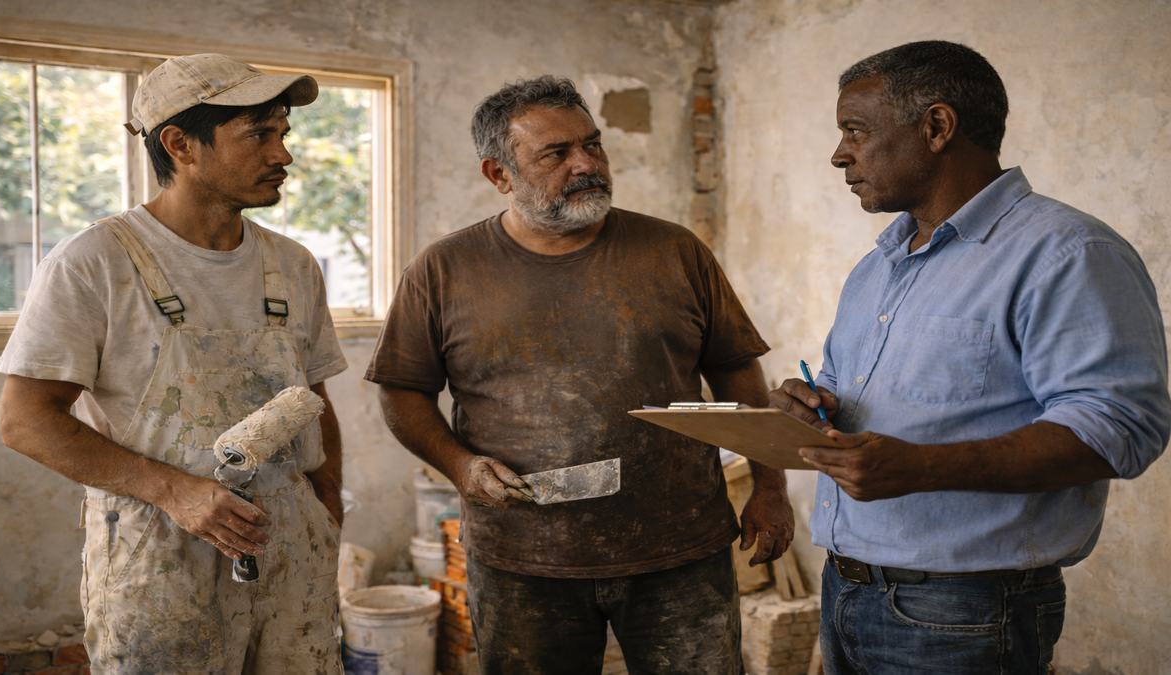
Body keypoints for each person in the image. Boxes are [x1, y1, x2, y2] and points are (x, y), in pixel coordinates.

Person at [367, 75, 792, 674]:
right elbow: (402, 392)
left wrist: (770, 489)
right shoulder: (442, 270)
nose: (586, 163)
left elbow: (736, 370)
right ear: (499, 175)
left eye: (592, 144)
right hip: (523, 558)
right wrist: (460, 466)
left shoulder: (674, 251)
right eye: (556, 153)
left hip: (679, 551)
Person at [768, 41, 1170, 674]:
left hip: (965, 611)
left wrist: (924, 468)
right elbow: (845, 390)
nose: (839, 153)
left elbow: (1120, 428)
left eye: (855, 130)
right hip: (847, 590)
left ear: (936, 126)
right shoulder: (877, 267)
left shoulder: (1067, 254)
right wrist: (806, 406)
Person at [0, 53, 348, 674]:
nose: (283, 155)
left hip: (292, 555)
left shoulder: (292, 265)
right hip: (161, 558)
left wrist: (326, 514)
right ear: (180, 144)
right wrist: (176, 493)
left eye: (283, 134)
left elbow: (314, 399)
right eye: (259, 135)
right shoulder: (95, 262)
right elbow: (25, 421)